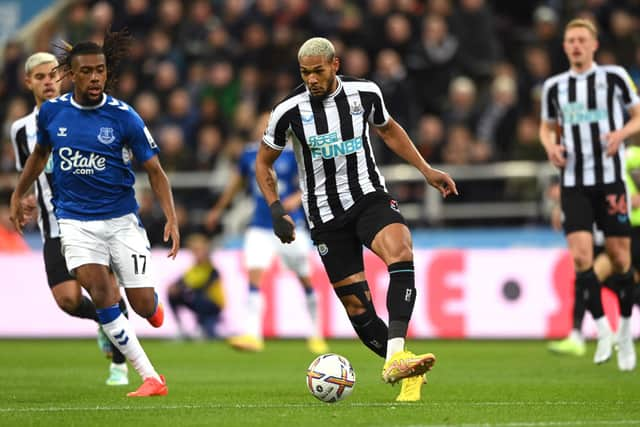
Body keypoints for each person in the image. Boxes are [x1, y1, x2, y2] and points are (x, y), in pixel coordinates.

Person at [256, 37, 458, 402]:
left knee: (400, 250)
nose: (312, 79)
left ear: (335, 65)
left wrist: (426, 170)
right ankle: (403, 367)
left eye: (318, 71)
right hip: (324, 217)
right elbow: (263, 163)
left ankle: (396, 358)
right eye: (305, 73)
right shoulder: (288, 110)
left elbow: (389, 129)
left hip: (368, 198)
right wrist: (276, 209)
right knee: (357, 308)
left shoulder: (365, 93)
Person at [9, 31, 180, 396]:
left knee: (142, 303)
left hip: (121, 221)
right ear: (72, 74)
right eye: (86, 72)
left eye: (100, 71)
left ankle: (151, 308)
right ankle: (151, 377)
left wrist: (171, 217)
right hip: (73, 221)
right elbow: (39, 156)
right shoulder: (54, 113)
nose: (95, 78)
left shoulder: (124, 117)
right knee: (100, 293)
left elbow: (155, 171)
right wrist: (19, 192)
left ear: (107, 72)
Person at [9, 52, 130, 386]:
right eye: (40, 77)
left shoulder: (81, 115)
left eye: (52, 75)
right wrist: (26, 197)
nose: (47, 81)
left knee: (106, 290)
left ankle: (119, 366)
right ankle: (105, 322)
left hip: (91, 220)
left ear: (62, 77)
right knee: (68, 300)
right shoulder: (21, 130)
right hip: (53, 228)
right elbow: (27, 172)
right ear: (29, 83)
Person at [540, 18, 640, 371]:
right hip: (574, 183)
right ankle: (603, 330)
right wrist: (551, 146)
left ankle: (626, 330)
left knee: (620, 259)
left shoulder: (614, 78)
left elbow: (638, 116)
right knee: (582, 261)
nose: (576, 45)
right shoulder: (555, 87)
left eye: (582, 40)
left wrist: (620, 134)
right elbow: (546, 128)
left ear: (594, 45)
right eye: (571, 41)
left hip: (611, 181)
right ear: (565, 46)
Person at [205, 112, 329, 355]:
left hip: (290, 226)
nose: (264, 127)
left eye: (268, 124)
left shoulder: (294, 155)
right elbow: (237, 183)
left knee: (304, 278)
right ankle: (253, 335)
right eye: (262, 123)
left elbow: (310, 184)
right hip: (260, 227)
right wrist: (219, 209)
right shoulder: (250, 154)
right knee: (254, 276)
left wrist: (296, 199)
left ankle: (316, 334)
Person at [167, 233, 225, 339]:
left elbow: (202, 287)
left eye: (199, 251)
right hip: (198, 304)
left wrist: (183, 288)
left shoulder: (212, 269)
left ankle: (201, 327)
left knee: (198, 295)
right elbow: (182, 282)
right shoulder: (193, 269)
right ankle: (181, 329)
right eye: (195, 251)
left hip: (213, 306)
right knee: (173, 295)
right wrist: (174, 287)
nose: (196, 254)